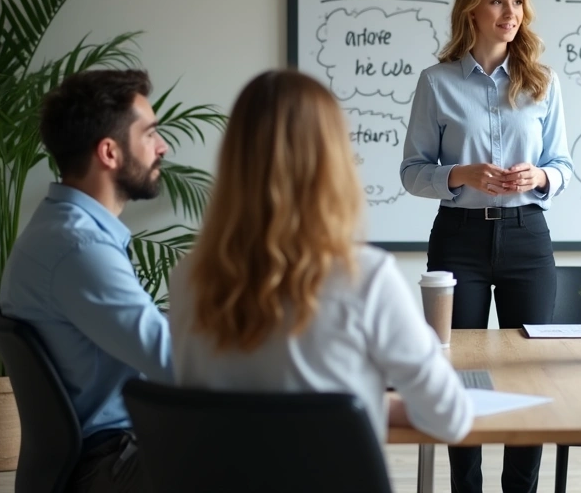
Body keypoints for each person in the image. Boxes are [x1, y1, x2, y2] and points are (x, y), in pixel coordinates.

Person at [168, 70, 472, 445]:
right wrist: (370, 403)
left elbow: (218, 409)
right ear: (332, 163)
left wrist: (368, 404)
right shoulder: (367, 278)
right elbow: (451, 418)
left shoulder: (188, 277)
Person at [400, 0, 574, 493]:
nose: (510, 12)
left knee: (531, 372)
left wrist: (540, 176)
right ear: (472, 10)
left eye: (517, 1)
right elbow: (412, 172)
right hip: (459, 240)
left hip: (528, 238)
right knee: (460, 373)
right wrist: (460, 174)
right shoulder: (436, 83)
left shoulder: (543, 82)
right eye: (497, 0)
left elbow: (564, 167)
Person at [0, 69, 172, 493]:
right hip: (110, 461)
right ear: (109, 152)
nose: (162, 147)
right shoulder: (81, 247)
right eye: (150, 133)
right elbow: (170, 359)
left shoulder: (61, 228)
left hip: (111, 448)